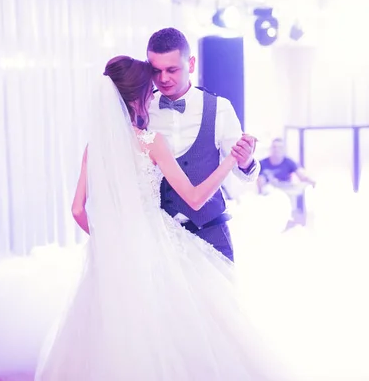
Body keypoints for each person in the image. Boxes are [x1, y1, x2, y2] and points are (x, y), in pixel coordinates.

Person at [34, 56, 287, 380]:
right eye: (151, 89)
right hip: (154, 245)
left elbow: (77, 210)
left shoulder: (93, 147)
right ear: (140, 96)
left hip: (111, 254)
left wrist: (107, 237)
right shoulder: (151, 142)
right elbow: (195, 197)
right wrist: (229, 163)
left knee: (116, 332)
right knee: (176, 330)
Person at [147, 27, 259, 262]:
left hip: (212, 234)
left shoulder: (221, 108)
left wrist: (246, 160)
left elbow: (245, 174)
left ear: (191, 63)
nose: (163, 78)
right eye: (156, 71)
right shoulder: (143, 109)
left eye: (172, 69)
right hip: (159, 239)